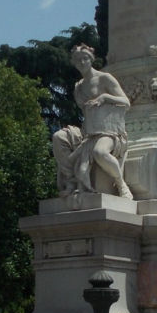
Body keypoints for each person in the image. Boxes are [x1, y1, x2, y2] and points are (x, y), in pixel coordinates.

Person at [53, 45, 133, 199]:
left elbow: (126, 102)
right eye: (78, 60)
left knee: (99, 152)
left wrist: (105, 97)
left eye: (85, 58)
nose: (82, 62)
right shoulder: (79, 87)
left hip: (109, 131)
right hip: (88, 132)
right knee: (59, 137)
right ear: (74, 63)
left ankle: (121, 184)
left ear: (91, 59)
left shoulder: (105, 78)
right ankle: (71, 180)